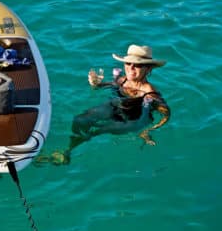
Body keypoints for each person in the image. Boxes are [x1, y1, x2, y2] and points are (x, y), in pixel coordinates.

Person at [43, 44, 171, 165]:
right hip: (116, 106)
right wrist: (96, 84)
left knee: (99, 130)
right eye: (128, 63)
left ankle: (67, 152)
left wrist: (148, 130)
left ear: (147, 69)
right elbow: (109, 85)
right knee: (80, 120)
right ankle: (69, 147)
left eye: (137, 65)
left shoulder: (150, 92)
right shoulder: (122, 80)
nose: (131, 68)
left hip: (132, 120)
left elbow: (166, 114)